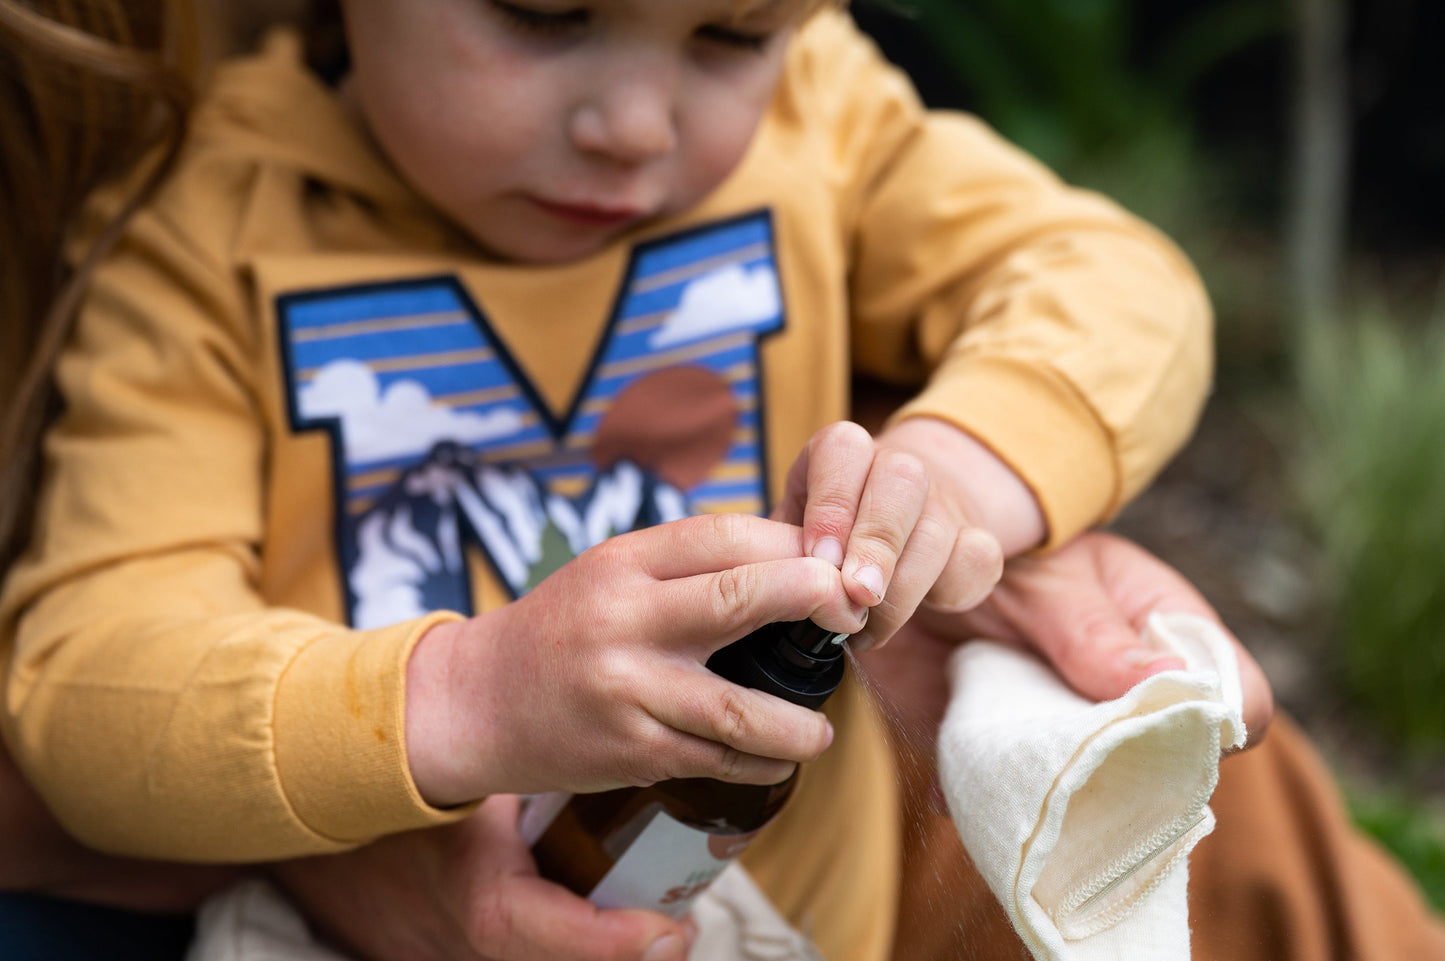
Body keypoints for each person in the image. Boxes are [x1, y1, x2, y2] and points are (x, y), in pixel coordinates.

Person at [2, 1, 1429, 961]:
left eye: (731, 32)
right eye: (544, 12)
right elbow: (88, 677)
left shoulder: (822, 115)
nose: (633, 121)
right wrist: (463, 697)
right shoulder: (206, 226)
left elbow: (1116, 281)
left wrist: (959, 472)